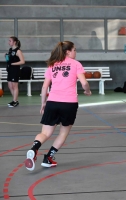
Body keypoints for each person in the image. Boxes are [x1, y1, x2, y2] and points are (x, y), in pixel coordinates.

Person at [25, 41, 92, 171]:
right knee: (63, 133)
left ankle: (34, 148)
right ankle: (48, 157)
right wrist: (88, 91)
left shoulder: (52, 65)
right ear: (68, 51)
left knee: (45, 132)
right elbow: (84, 83)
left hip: (52, 102)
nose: (75, 52)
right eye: (74, 50)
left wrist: (43, 103)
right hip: (69, 103)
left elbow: (45, 87)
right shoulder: (76, 64)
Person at [5, 36, 25, 107]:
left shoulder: (18, 51)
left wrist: (13, 64)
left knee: (14, 86)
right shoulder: (10, 50)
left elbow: (22, 61)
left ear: (14, 42)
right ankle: (15, 100)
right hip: (10, 69)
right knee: (10, 86)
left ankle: (15, 101)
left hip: (15, 70)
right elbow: (10, 60)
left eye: (10, 41)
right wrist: (7, 57)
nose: (9, 42)